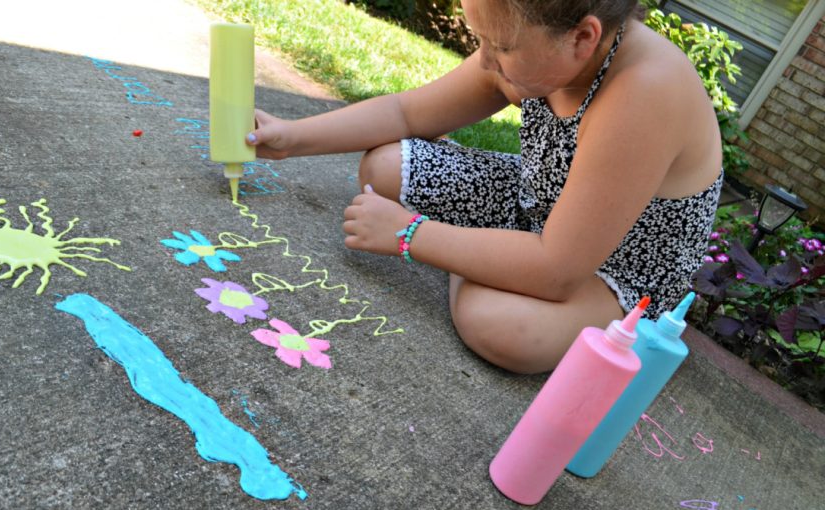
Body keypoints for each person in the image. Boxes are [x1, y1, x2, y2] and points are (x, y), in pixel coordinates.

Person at [245, 0, 722, 374]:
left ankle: (487, 259)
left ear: (583, 36)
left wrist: (412, 235)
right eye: (482, 39)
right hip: (537, 203)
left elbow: (558, 269)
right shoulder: (541, 46)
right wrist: (293, 136)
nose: (486, 58)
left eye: (502, 46)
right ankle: (492, 255)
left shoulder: (644, 93)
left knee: (500, 327)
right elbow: (408, 115)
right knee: (386, 169)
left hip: (615, 275)